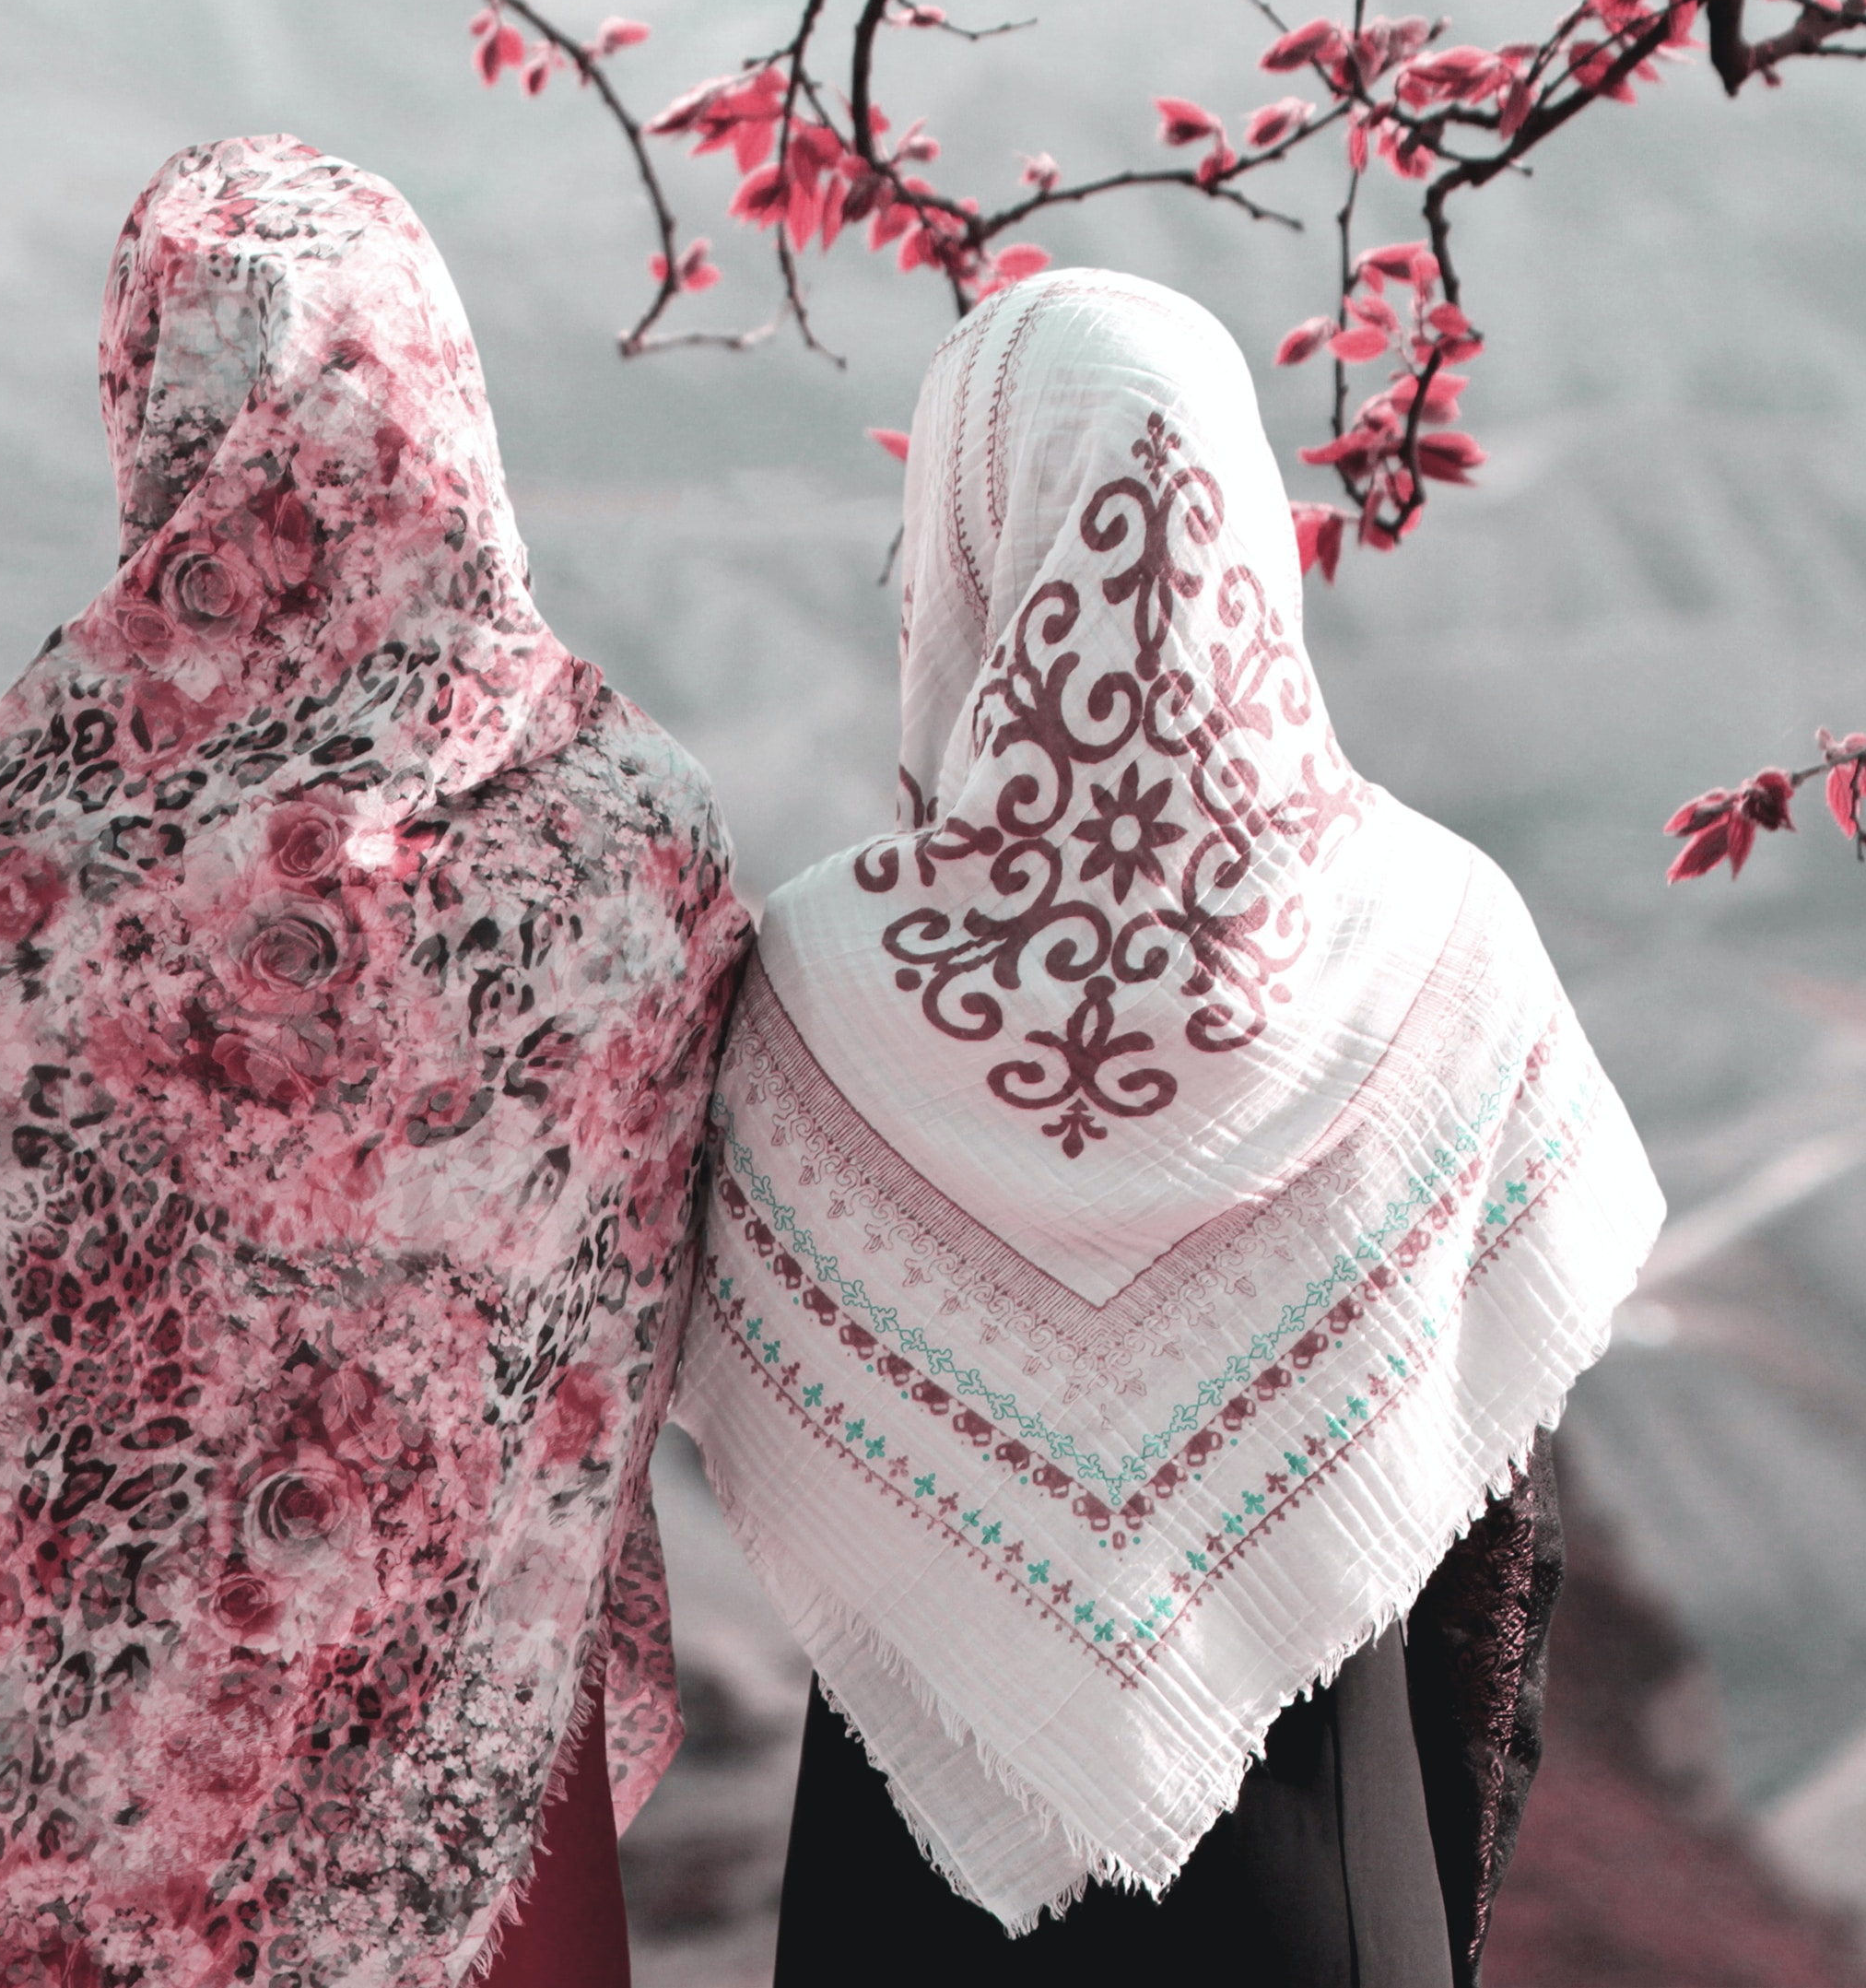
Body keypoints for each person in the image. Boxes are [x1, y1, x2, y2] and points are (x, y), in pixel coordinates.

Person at [0, 137, 749, 1988]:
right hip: (481, 1851)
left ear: (148, 400)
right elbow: (638, 1309)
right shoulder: (626, 829)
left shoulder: (16, 834)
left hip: (50, 1838)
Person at [680, 267, 1665, 1983]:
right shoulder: (1443, 939)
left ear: (969, 541)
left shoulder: (813, 980)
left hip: (912, 1904)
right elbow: (1503, 1548)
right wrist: (1428, 1899)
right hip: (1332, 1881)